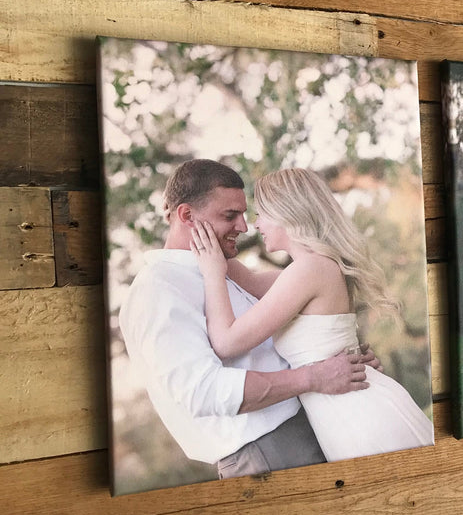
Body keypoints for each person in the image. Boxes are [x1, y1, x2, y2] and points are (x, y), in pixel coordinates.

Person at [119, 159, 375, 481]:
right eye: (230, 216)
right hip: (266, 453)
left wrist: (340, 360)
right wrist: (312, 377)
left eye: (244, 214)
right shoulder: (156, 289)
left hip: (310, 424)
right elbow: (205, 391)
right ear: (186, 216)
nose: (243, 227)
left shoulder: (222, 272)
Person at [192, 167, 434, 462]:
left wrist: (211, 275)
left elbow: (227, 342)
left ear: (286, 212)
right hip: (348, 410)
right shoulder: (312, 268)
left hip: (357, 415)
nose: (254, 225)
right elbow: (252, 282)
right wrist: (205, 233)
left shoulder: (309, 271)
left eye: (261, 214)